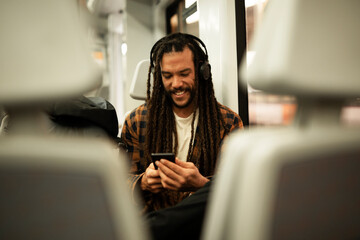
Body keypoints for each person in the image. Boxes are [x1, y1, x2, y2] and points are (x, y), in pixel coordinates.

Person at [121, 32, 243, 212]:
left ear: (203, 72)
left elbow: (237, 191)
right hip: (156, 225)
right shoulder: (136, 121)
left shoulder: (228, 123)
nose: (176, 83)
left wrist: (201, 184)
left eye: (184, 73)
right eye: (167, 76)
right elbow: (118, 184)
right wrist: (143, 183)